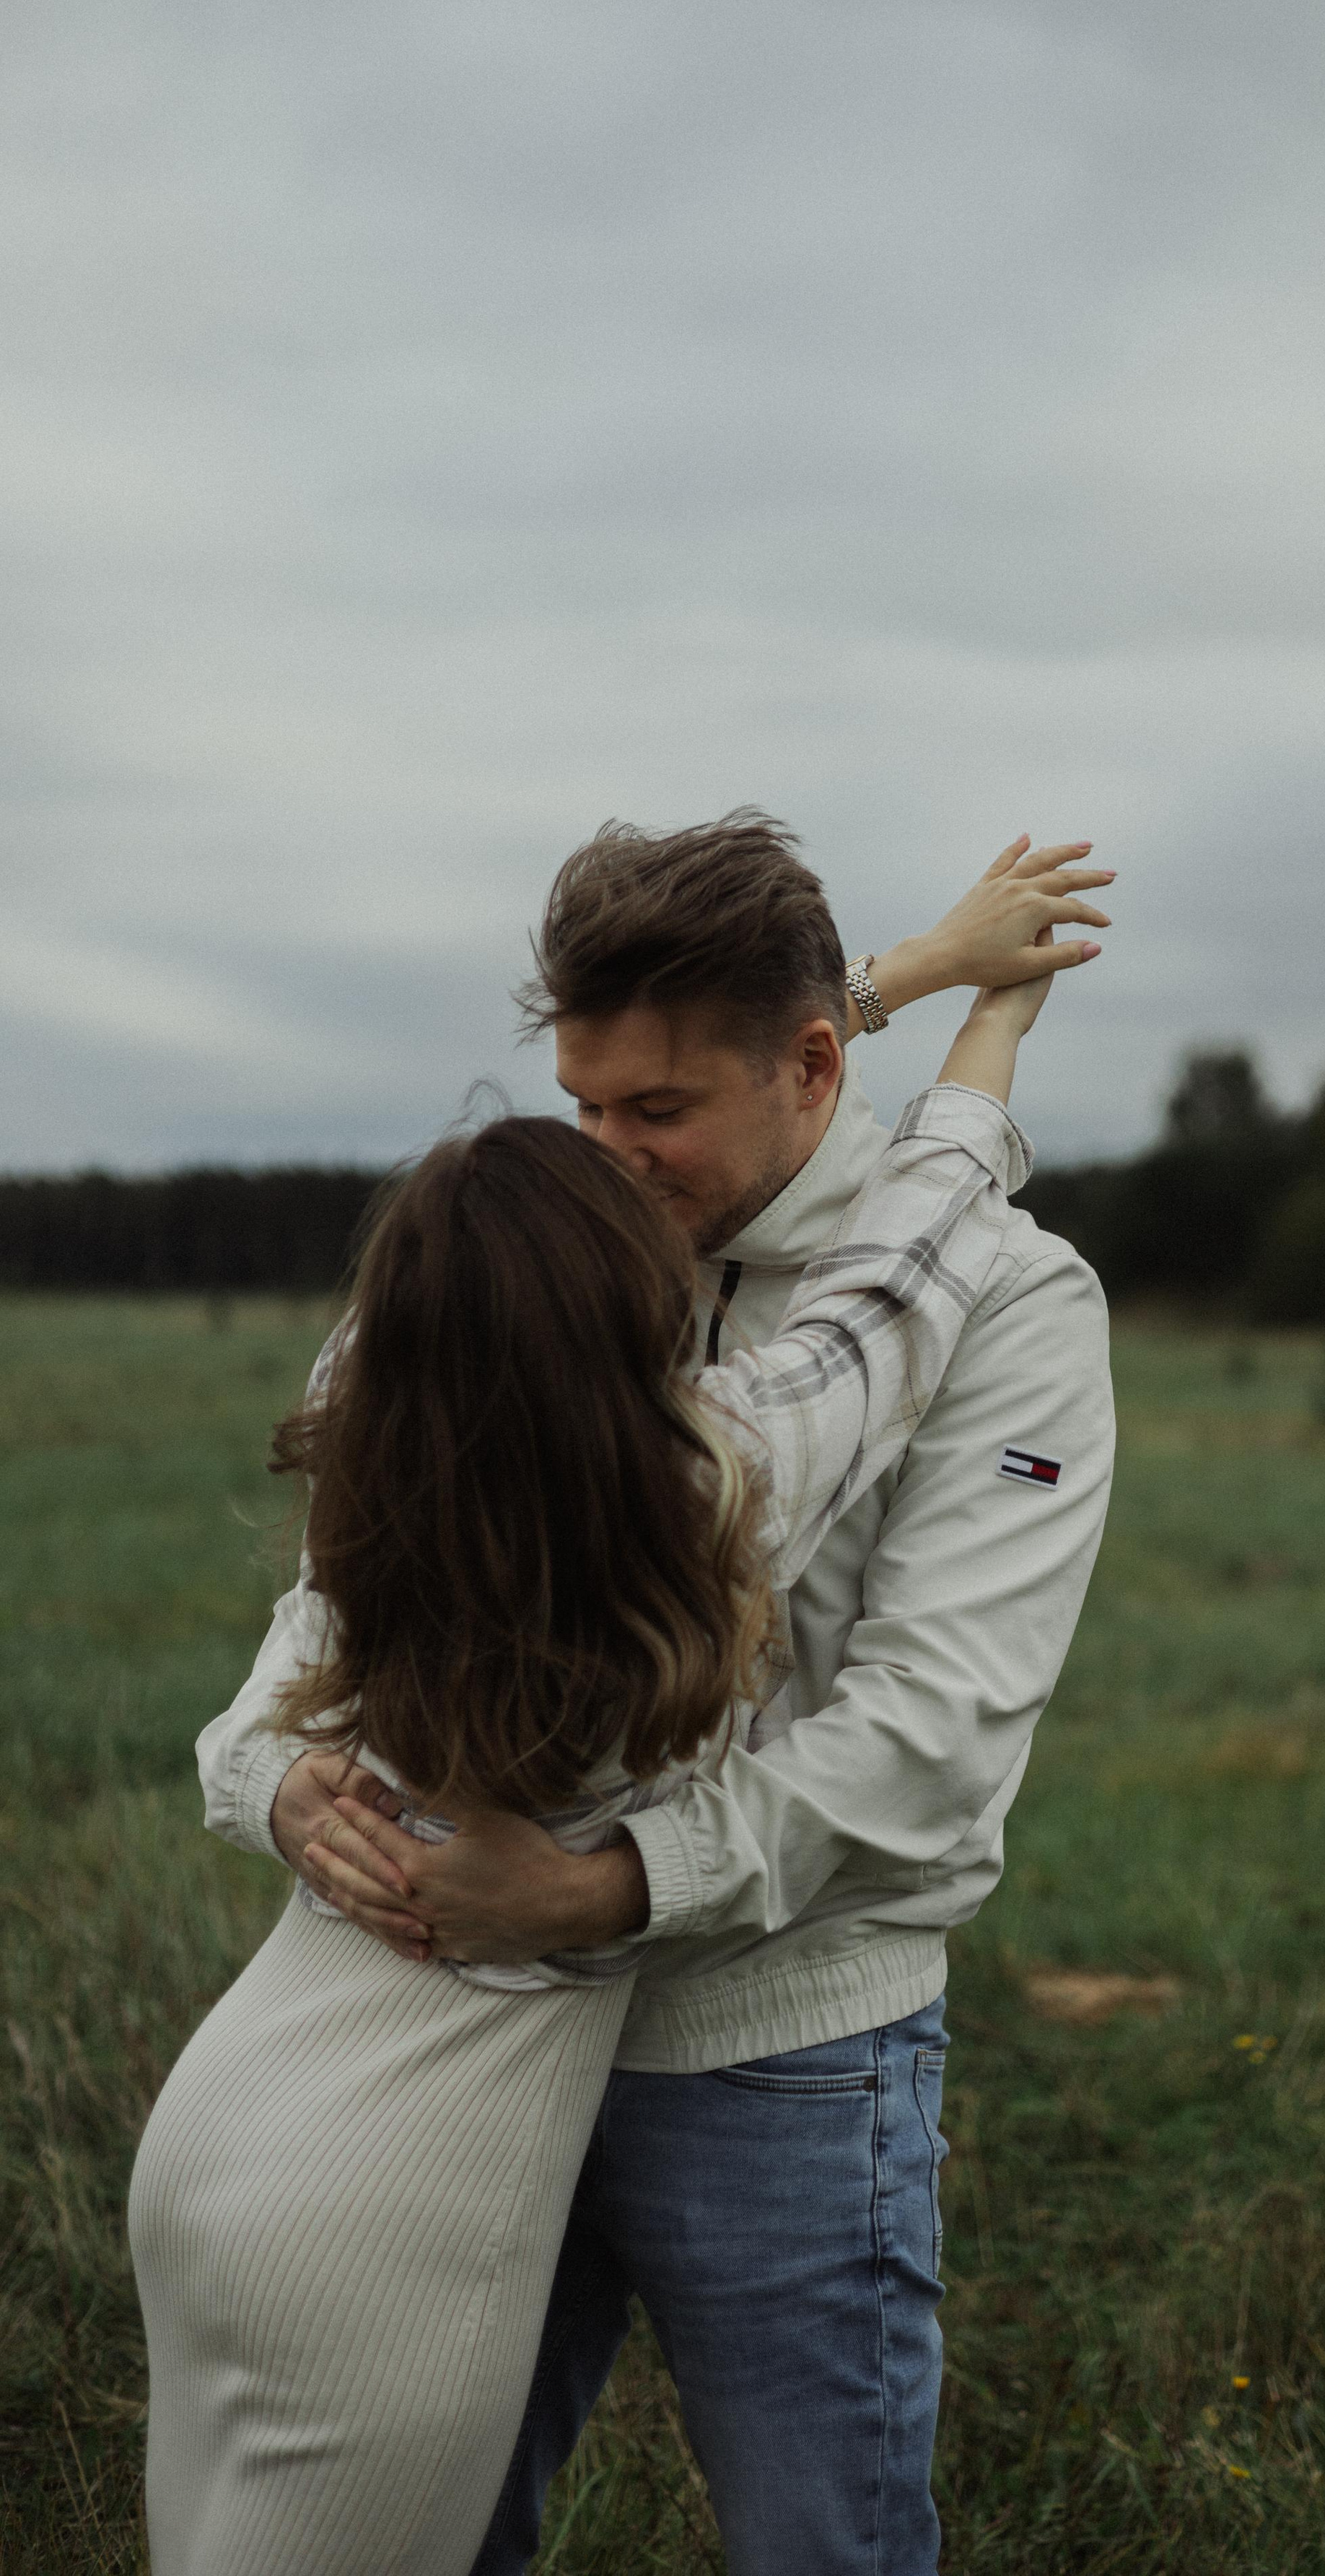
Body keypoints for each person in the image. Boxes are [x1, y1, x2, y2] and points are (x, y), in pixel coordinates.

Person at [192, 820, 1119, 2576]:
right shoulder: (501, 1277)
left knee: (818, 2549)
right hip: (445, 2035)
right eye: (580, 1102)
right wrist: (270, 1778)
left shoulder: (1001, 1296)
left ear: (816, 1066)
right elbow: (328, 1612)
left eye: (657, 1115)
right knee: (423, 2539)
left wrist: (606, 1887)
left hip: (776, 2053)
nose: (605, 1157)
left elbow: (931, 1736)